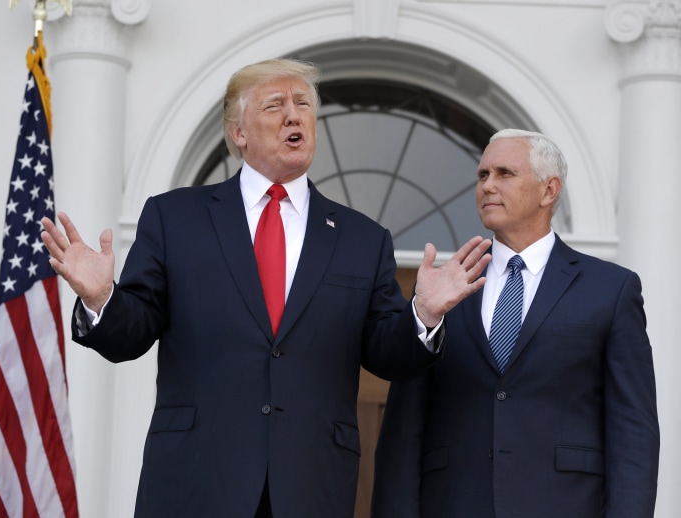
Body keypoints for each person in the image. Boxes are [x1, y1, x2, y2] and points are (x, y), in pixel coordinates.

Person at [40, 58, 492, 517]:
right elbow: (130, 333)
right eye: (275, 105)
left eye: (303, 105)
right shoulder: (175, 218)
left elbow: (387, 353)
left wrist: (424, 314)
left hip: (311, 482)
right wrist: (101, 297)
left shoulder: (362, 238)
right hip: (196, 478)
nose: (294, 115)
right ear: (239, 132)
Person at [371, 129, 660, 518]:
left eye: (504, 173)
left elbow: (634, 434)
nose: (488, 186)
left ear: (548, 190)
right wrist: (425, 312)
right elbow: (403, 432)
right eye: (482, 175)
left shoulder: (611, 290)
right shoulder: (444, 289)